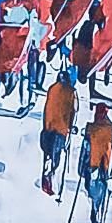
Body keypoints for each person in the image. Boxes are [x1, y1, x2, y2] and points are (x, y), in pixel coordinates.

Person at [79, 96, 112, 223]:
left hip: (92, 168)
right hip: (104, 169)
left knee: (94, 202)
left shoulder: (90, 129)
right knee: (99, 201)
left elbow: (85, 149)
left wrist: (80, 169)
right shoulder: (111, 129)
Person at [38, 64, 78, 197]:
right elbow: (72, 112)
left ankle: (46, 181)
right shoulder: (71, 92)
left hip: (47, 128)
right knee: (55, 158)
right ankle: (50, 180)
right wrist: (71, 127)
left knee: (48, 155)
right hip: (60, 129)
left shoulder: (51, 89)